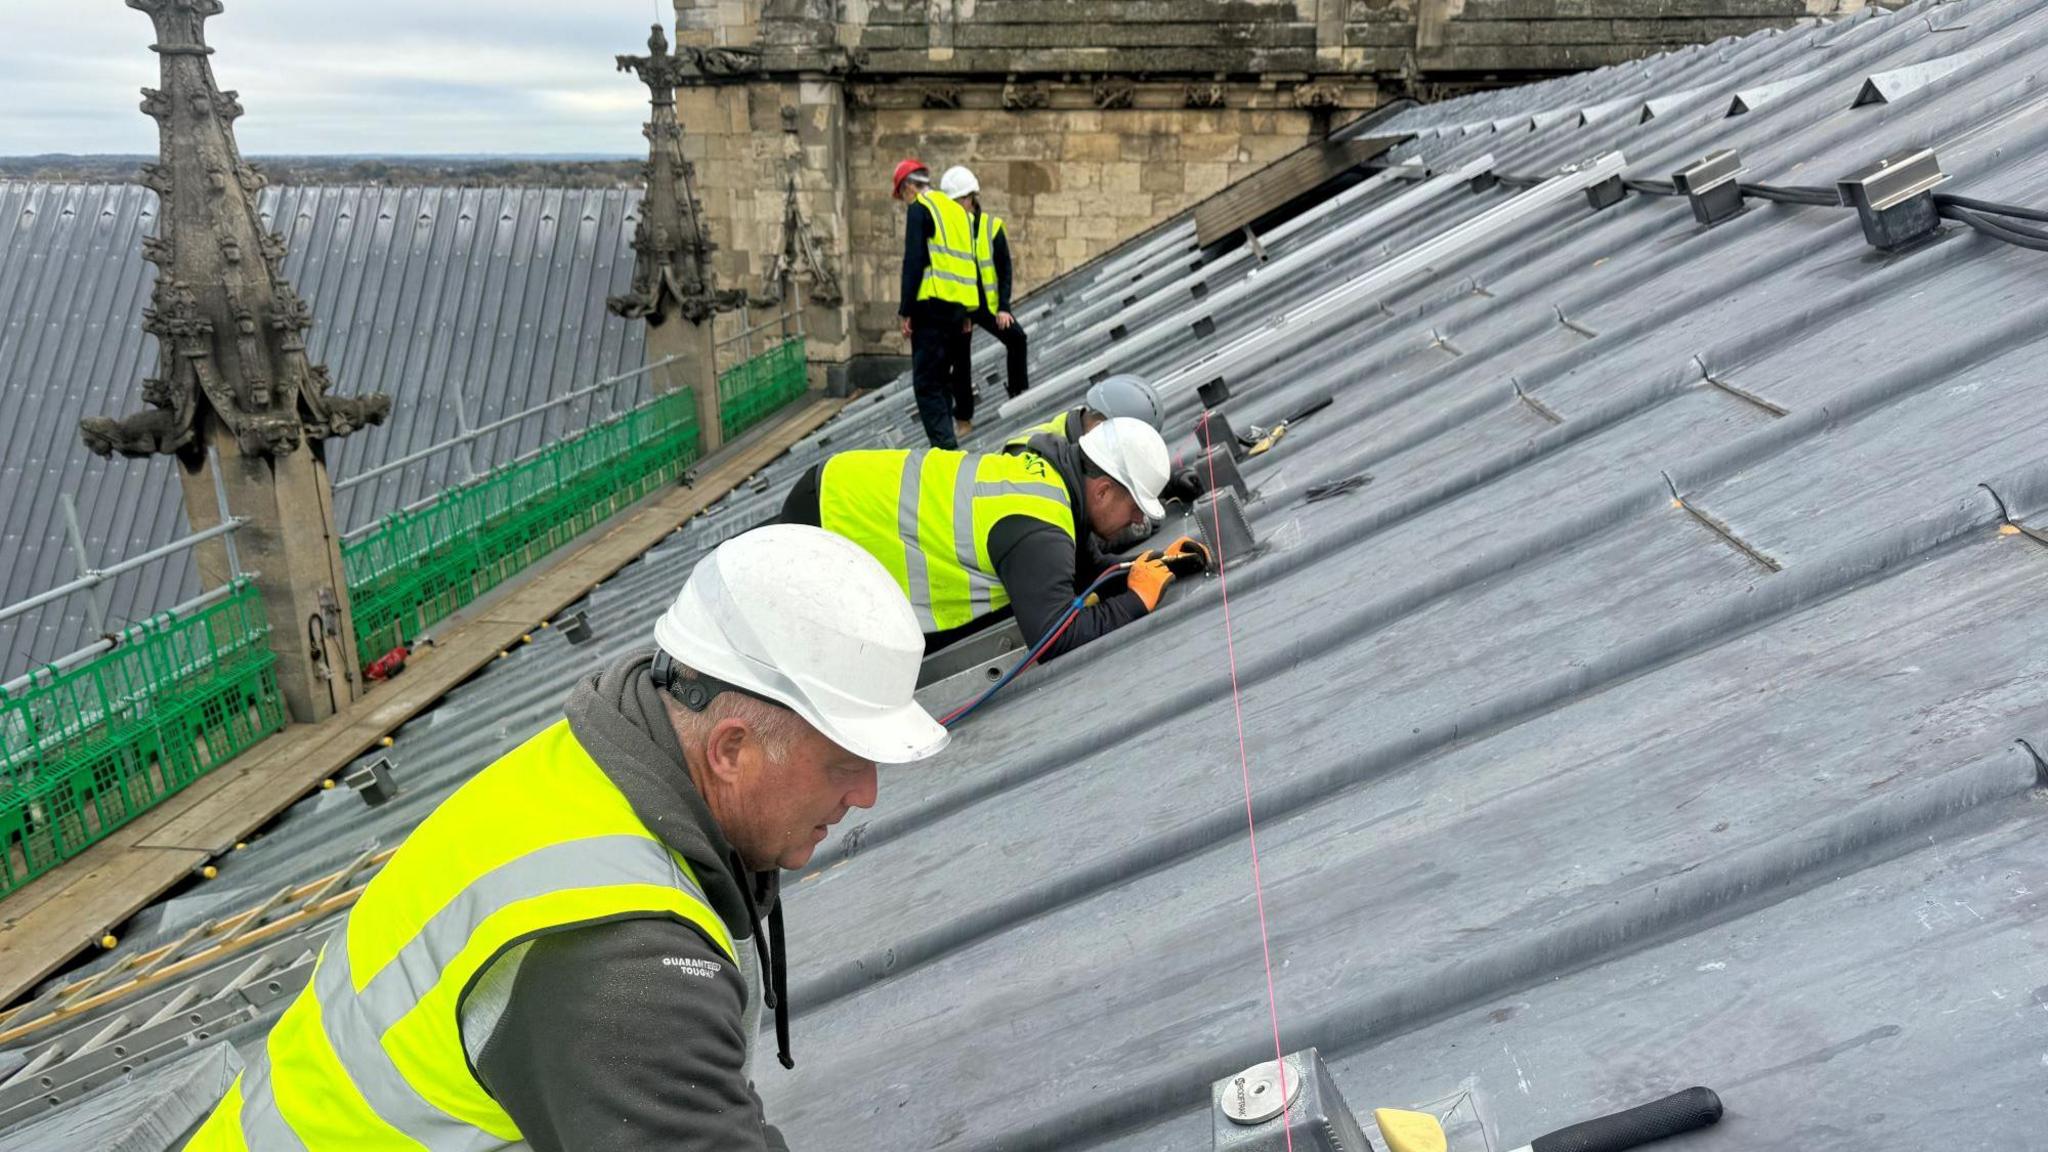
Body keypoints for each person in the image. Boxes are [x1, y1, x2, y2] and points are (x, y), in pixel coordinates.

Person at [186, 526, 948, 1152]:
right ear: (731, 749)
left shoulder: (593, 764)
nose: (866, 795)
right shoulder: (622, 962)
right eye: (844, 764)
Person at [777, 417, 1205, 660]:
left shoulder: (1048, 474)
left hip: (840, 488)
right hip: (835, 520)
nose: (1135, 523)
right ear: (1104, 489)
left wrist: (1151, 566)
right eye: (1134, 509)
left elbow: (1083, 569)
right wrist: (1136, 602)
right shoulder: (1039, 526)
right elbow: (1055, 637)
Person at [1007, 374, 1206, 509]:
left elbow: (1125, 472)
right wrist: (1142, 524)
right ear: (1102, 424)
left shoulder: (1089, 439)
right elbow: (1083, 537)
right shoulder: (1034, 459)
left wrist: (1171, 482)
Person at [892, 158, 980, 448]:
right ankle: (948, 439)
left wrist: (906, 310)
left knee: (928, 383)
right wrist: (969, 310)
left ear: (908, 187)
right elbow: (970, 262)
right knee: (943, 378)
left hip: (930, 307)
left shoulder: (921, 208)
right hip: (957, 311)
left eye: (902, 195)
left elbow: (914, 261)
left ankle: (945, 450)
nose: (904, 201)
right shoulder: (957, 212)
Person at [938, 165, 1030, 401]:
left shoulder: (991, 227)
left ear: (970, 199)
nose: (956, 207)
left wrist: (1003, 307)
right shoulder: (947, 231)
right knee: (957, 359)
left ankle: (1018, 393)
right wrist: (961, 313)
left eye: (959, 201)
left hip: (986, 306)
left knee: (1017, 339)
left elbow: (1004, 270)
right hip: (961, 307)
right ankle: (961, 411)